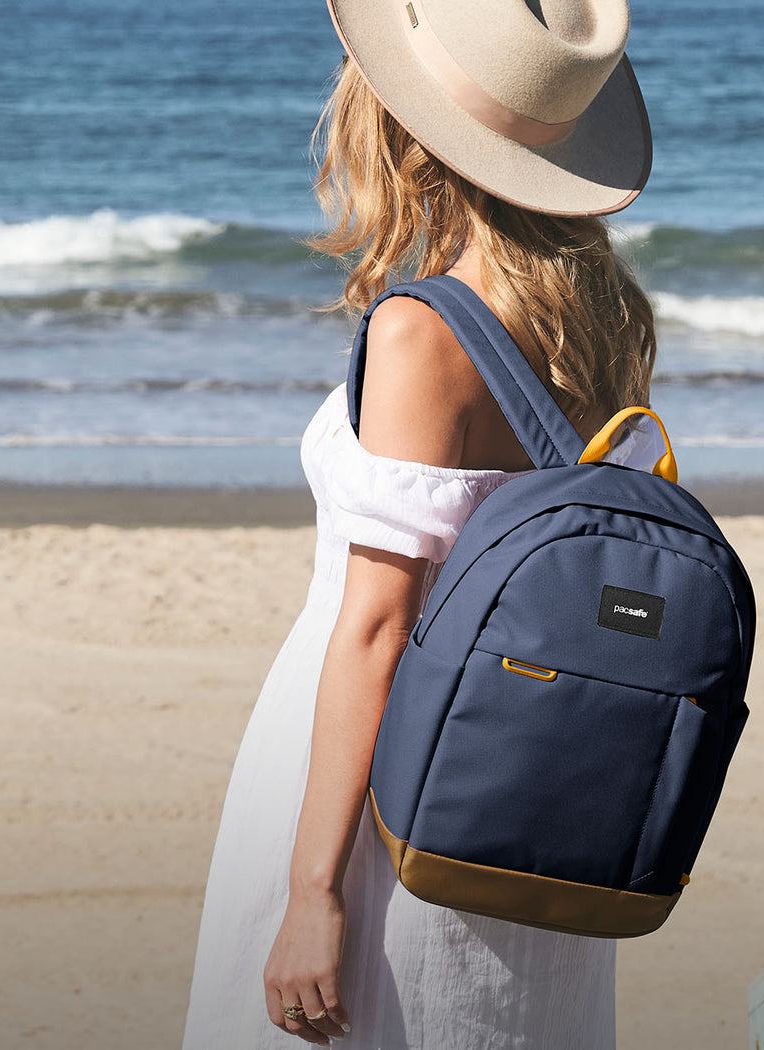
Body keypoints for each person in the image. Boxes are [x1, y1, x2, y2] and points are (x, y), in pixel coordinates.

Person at [182, 1, 654, 1045]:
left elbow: (377, 627)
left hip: (383, 799)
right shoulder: (604, 325)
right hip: (520, 795)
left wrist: (314, 891)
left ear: (400, 127)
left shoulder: (421, 333)